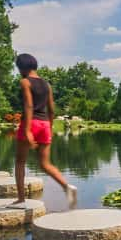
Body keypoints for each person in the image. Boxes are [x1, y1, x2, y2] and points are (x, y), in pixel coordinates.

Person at [11, 53, 77, 208]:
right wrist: (50, 127)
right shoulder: (47, 85)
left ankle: (21, 200)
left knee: (20, 162)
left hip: (31, 122)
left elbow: (28, 105)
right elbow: (52, 109)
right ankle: (67, 187)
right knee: (45, 164)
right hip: (45, 124)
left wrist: (27, 130)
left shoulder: (25, 82)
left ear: (22, 67)